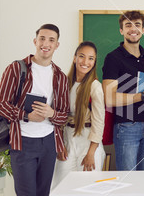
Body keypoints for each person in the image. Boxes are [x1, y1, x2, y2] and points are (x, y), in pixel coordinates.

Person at [0, 24, 69, 196]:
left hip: (49, 143)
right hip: (23, 143)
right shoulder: (16, 69)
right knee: (26, 197)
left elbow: (63, 116)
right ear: (35, 41)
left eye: (51, 40)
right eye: (42, 38)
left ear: (57, 45)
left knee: (43, 196)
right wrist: (26, 116)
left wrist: (52, 114)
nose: (46, 43)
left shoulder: (61, 77)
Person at [102, 10, 144, 171]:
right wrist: (142, 97)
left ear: (143, 30)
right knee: (127, 179)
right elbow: (109, 99)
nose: (133, 29)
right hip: (127, 126)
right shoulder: (113, 58)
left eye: (137, 25)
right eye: (128, 25)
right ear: (121, 30)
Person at [51, 41, 106, 188]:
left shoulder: (95, 86)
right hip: (67, 139)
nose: (85, 62)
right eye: (81, 56)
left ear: (94, 62)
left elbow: (99, 122)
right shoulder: (64, 83)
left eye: (90, 58)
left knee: (88, 188)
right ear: (74, 58)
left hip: (88, 142)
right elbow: (57, 115)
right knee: (60, 187)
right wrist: (60, 144)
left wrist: (91, 153)